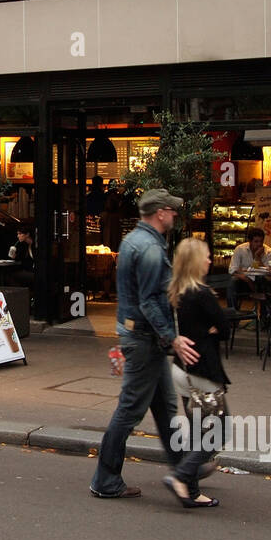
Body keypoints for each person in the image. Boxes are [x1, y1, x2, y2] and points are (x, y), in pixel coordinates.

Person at [89, 189, 199, 500]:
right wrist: (172, 338)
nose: (175, 215)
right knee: (129, 409)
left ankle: (184, 469)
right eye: (171, 210)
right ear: (160, 213)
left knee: (165, 407)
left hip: (137, 335)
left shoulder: (132, 241)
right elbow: (151, 302)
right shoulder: (150, 248)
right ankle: (106, 479)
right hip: (145, 340)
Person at [165, 237, 229, 508]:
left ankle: (191, 491)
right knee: (218, 432)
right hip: (203, 371)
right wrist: (212, 330)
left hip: (180, 370)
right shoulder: (202, 293)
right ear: (195, 262)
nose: (210, 260)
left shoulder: (176, 291)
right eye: (206, 256)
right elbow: (224, 326)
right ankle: (181, 476)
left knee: (195, 431)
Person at [228, 226, 271, 308]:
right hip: (244, 281)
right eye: (256, 241)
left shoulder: (269, 252)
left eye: (261, 241)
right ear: (250, 241)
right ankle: (233, 312)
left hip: (261, 282)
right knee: (232, 282)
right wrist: (246, 279)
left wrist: (258, 257)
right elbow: (232, 269)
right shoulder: (240, 249)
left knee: (263, 281)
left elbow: (268, 274)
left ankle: (264, 315)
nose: (259, 244)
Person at [8, 224, 36, 290]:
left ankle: (20, 295)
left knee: (12, 276)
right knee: (11, 274)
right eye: (18, 234)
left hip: (37, 272)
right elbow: (21, 259)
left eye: (20, 234)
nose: (18, 236)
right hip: (30, 271)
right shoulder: (25, 245)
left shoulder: (35, 245)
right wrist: (14, 255)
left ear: (27, 234)